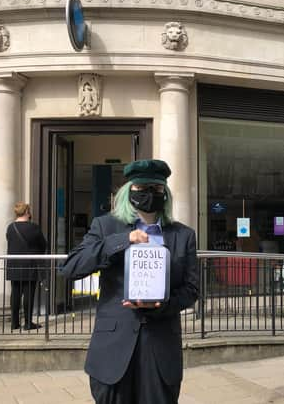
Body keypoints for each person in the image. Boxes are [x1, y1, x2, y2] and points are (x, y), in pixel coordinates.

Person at [61, 159, 199, 404]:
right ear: (129, 191)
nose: (149, 194)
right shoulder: (105, 226)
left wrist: (162, 306)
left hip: (160, 351)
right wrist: (123, 240)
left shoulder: (183, 235)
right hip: (113, 350)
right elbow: (71, 267)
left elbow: (191, 289)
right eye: (141, 188)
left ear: (165, 194)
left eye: (156, 189)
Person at [5, 202, 47, 330]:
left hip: (13, 265)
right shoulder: (34, 228)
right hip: (29, 265)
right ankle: (28, 323)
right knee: (28, 294)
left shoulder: (10, 228)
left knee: (16, 293)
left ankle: (14, 322)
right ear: (27, 212)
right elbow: (43, 244)